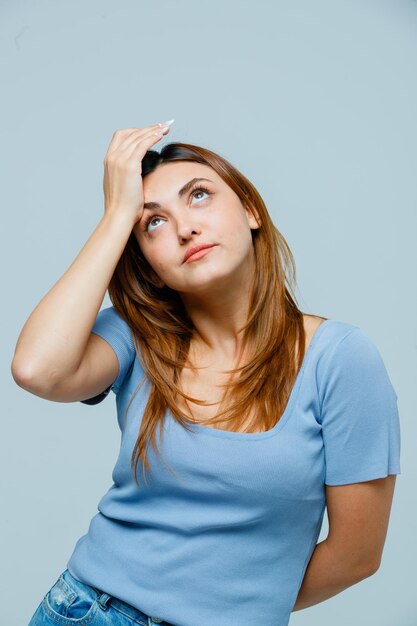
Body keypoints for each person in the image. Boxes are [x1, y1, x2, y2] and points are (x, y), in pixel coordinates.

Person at [13, 121, 401, 626]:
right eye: (151, 223)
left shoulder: (341, 359)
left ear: (251, 210)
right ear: (148, 264)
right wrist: (115, 217)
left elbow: (357, 556)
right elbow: (37, 369)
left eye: (198, 196)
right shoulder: (135, 335)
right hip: (87, 610)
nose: (183, 228)